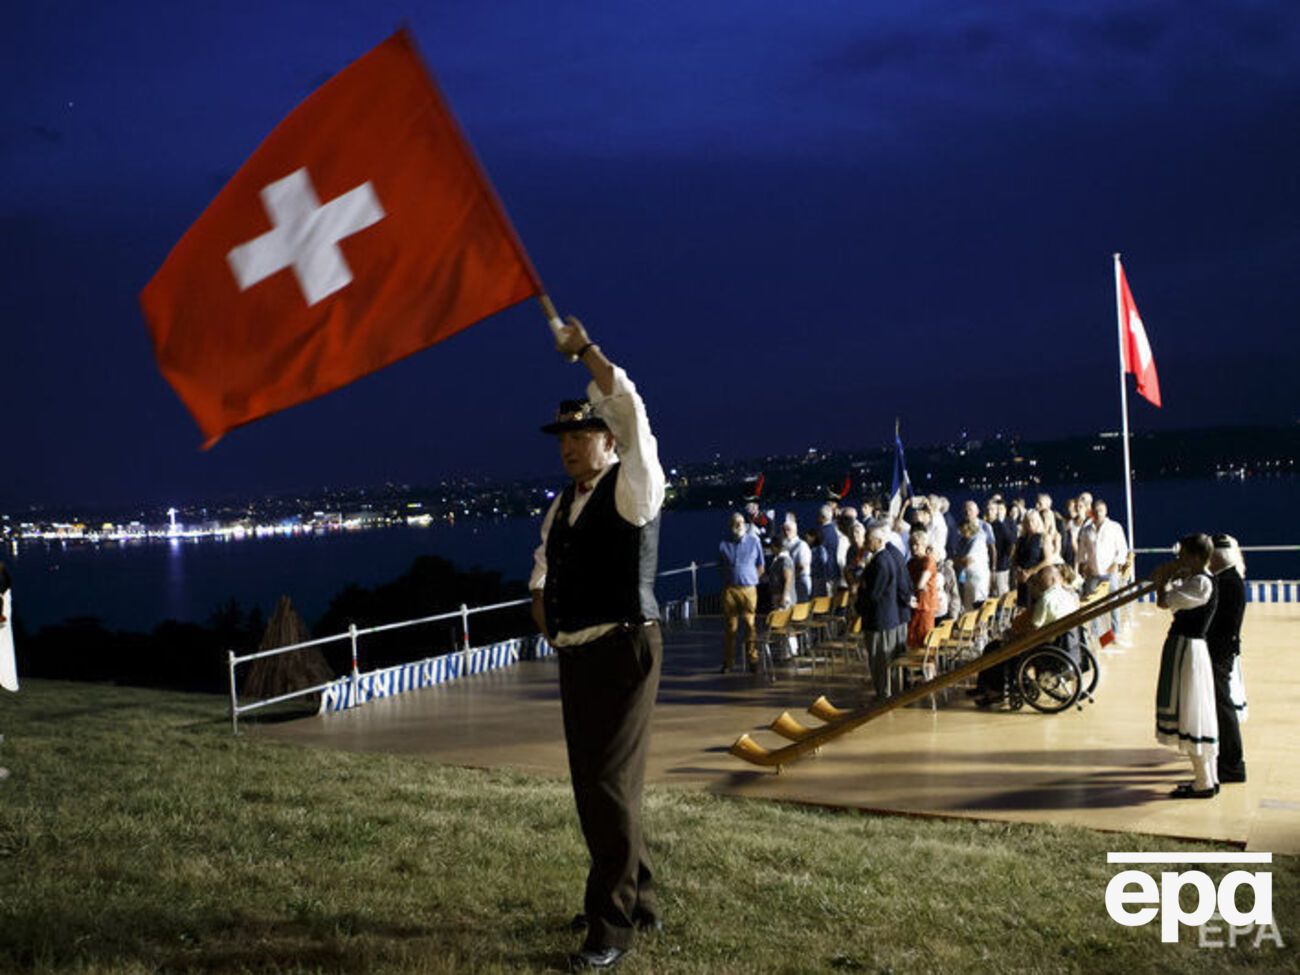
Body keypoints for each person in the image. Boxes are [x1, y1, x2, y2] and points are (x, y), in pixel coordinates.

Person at [528, 317, 665, 969]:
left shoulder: (635, 483)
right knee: (594, 785)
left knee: (608, 783)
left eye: (582, 433)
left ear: (609, 441)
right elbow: (542, 574)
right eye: (565, 436)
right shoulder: (560, 506)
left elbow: (631, 405)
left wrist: (584, 351)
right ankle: (639, 896)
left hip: (626, 648)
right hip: (577, 654)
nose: (570, 445)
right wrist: (550, 624)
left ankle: (610, 927)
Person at [1151, 534, 1220, 799]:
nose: (1178, 559)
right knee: (1195, 709)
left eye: (1182, 555)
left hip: (1188, 650)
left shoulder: (1201, 583)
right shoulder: (1199, 580)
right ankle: (1206, 778)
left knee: (1192, 711)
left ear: (1193, 557)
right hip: (1189, 649)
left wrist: (1162, 582)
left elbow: (1164, 601)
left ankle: (1203, 782)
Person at [972, 564, 1078, 706]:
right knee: (997, 646)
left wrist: (1014, 636)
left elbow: (1034, 629)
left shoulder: (1046, 599)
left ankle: (994, 691)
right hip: (1060, 642)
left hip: (1042, 645)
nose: (1039, 582)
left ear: (1052, 580)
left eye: (1042, 579)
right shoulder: (1068, 596)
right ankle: (988, 687)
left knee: (993, 649)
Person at [1207, 534, 1248, 784]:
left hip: (1219, 652)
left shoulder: (1228, 582)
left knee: (1224, 708)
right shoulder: (1228, 578)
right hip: (1222, 650)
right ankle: (1226, 758)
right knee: (1221, 706)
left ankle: (1233, 764)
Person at [856, 528, 908, 699]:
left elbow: (873, 594)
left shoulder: (880, 562)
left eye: (868, 539)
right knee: (884, 658)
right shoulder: (885, 558)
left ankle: (883, 694)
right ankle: (887, 692)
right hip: (887, 617)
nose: (865, 542)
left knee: (879, 659)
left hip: (879, 619)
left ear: (878, 541)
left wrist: (859, 606)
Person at [718, 513, 765, 674]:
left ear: (745, 524)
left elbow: (761, 565)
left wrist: (751, 579)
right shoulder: (723, 544)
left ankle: (753, 659)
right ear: (730, 525)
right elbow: (720, 566)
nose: (738, 525)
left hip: (748, 589)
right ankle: (728, 663)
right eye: (735, 522)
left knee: (750, 625)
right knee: (731, 627)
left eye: (740, 522)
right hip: (730, 590)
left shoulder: (754, 542)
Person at [1077, 499, 1129, 638]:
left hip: (1109, 572)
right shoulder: (1087, 530)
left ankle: (1115, 633)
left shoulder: (1114, 527)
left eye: (1101, 510)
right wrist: (1082, 564)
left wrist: (1116, 563)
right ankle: (1095, 634)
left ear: (1105, 511)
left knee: (1113, 603)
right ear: (1092, 512)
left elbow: (1122, 549)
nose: (1098, 513)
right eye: (1096, 510)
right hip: (1093, 572)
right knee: (1093, 605)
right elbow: (1082, 550)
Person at [906, 533, 939, 649]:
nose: (913, 547)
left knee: (924, 638)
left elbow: (920, 584)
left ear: (925, 545)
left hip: (926, 605)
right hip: (913, 604)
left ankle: (926, 664)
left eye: (916, 544)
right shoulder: (910, 563)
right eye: (911, 544)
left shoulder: (929, 560)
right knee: (912, 637)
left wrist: (915, 587)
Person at [953, 518, 991, 609]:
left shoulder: (978, 540)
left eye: (962, 531)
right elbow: (954, 557)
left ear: (969, 529)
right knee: (968, 608)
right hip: (966, 578)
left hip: (977, 579)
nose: (960, 533)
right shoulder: (963, 540)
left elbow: (967, 561)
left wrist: (957, 560)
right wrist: (958, 560)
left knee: (978, 607)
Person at [988, 498, 1016, 598]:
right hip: (989, 565)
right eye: (988, 509)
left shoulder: (1001, 525)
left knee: (1002, 593)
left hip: (1001, 564)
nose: (989, 512)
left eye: (992, 510)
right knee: (992, 593)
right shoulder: (987, 525)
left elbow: (1012, 542)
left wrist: (1008, 558)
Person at [782, 518, 812, 603]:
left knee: (800, 609)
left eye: (788, 530)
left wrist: (790, 578)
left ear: (795, 530)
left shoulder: (802, 545)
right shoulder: (785, 545)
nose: (786, 532)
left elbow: (802, 566)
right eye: (784, 530)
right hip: (790, 582)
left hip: (800, 581)